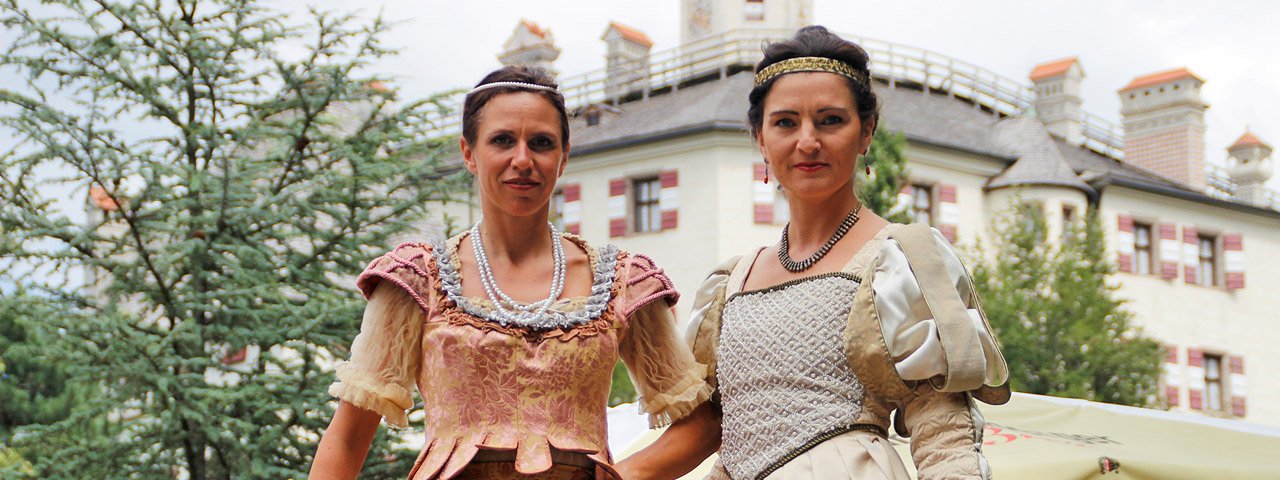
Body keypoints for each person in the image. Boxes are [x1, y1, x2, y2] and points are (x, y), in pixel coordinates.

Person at [617, 26, 1009, 480]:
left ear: (866, 134)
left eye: (830, 120)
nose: (807, 141)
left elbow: (944, 434)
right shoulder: (730, 283)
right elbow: (718, 430)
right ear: (761, 140)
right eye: (785, 122)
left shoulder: (899, 259)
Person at [310, 66, 711, 480]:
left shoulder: (622, 281)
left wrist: (618, 476)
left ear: (564, 156)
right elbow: (346, 439)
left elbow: (701, 425)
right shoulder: (416, 279)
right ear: (469, 153)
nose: (522, 160)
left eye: (541, 143)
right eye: (503, 140)